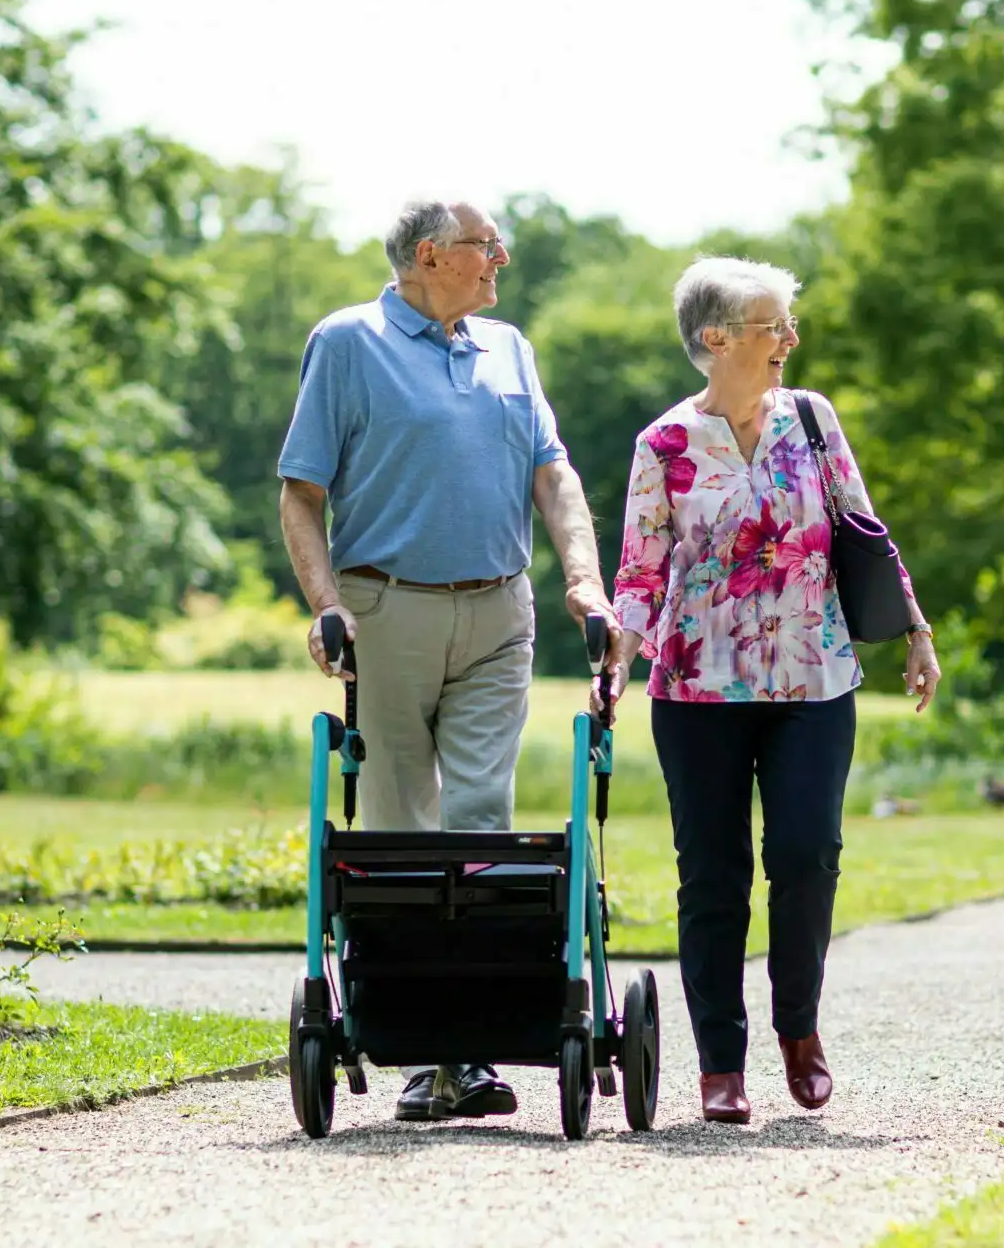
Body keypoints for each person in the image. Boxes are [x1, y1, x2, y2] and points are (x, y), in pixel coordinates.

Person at [276, 198, 623, 1122]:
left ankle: (466, 1050)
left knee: (479, 824)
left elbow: (554, 473)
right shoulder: (346, 343)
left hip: (499, 607)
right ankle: (419, 1049)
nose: (500, 256)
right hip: (388, 608)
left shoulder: (509, 347)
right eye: (484, 245)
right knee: (398, 832)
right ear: (430, 255)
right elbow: (301, 494)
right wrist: (327, 606)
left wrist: (585, 583)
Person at [605, 256, 941, 1124]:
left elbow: (865, 527)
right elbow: (641, 570)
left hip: (813, 675)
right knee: (712, 875)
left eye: (787, 325)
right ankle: (722, 1062)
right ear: (715, 338)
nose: (789, 339)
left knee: (804, 855)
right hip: (696, 686)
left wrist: (915, 629)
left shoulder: (813, 419)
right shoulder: (664, 445)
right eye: (771, 326)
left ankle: (799, 1028)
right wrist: (617, 657)